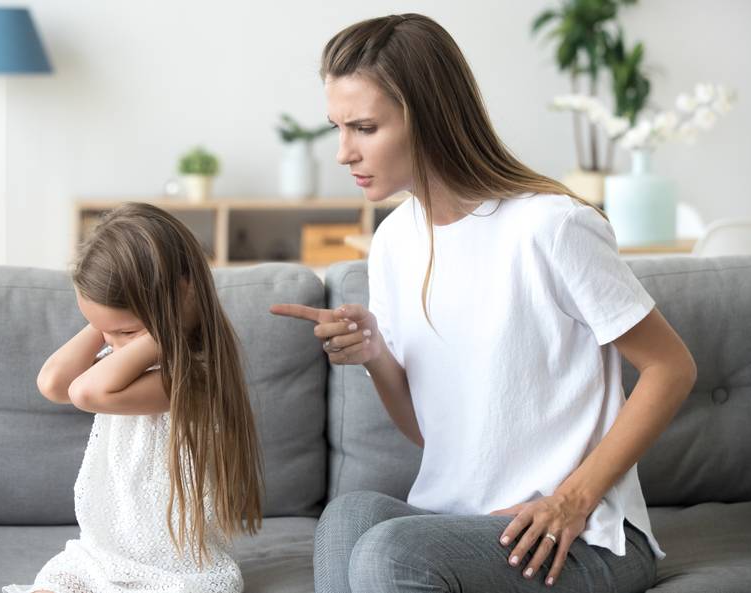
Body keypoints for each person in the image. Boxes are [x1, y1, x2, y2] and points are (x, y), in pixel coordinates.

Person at [271, 13, 696, 593]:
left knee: (393, 554)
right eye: (337, 128)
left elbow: (671, 367)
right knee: (349, 517)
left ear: (428, 118)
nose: (343, 153)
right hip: (462, 525)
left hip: (581, 539)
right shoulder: (396, 240)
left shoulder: (552, 226)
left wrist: (570, 500)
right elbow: (432, 434)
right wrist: (374, 353)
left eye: (364, 127)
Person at [5, 203, 263, 593]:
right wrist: (109, 325)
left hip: (177, 563)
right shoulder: (124, 354)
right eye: (100, 329)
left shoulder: (194, 376)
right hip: (102, 553)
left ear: (178, 300)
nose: (111, 343)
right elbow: (54, 383)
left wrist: (163, 327)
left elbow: (85, 392)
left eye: (125, 331)